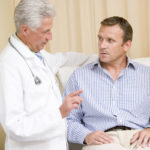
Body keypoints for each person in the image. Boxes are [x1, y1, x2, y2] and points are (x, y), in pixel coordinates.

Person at [0, 0, 96, 150]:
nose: (50, 37)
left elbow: (66, 58)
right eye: (45, 31)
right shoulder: (9, 64)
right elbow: (15, 127)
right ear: (25, 30)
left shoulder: (38, 55)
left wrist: (101, 57)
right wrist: (60, 113)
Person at [63, 16, 150, 150]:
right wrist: (86, 135)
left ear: (126, 45)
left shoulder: (147, 75)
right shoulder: (79, 76)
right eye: (100, 39)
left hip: (140, 138)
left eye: (110, 41)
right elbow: (67, 119)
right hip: (102, 141)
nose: (102, 45)